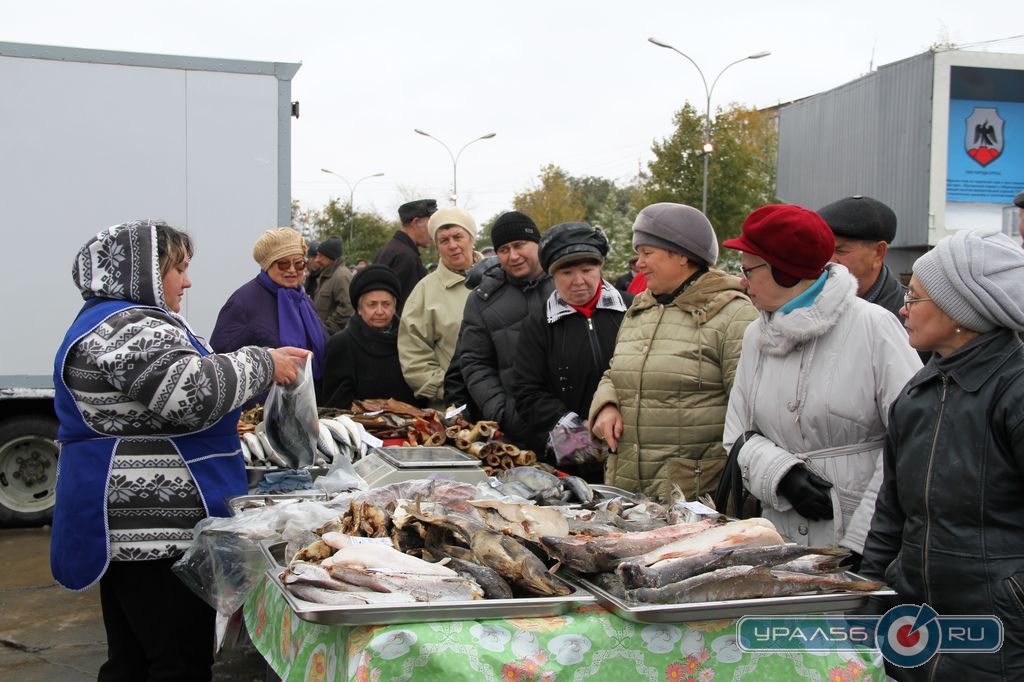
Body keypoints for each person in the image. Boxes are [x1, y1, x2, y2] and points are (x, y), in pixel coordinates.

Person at [51, 220, 309, 681]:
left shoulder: (124, 320)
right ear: (141, 272)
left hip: (141, 531)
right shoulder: (125, 325)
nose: (187, 282)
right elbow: (190, 392)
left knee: (137, 659)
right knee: (176, 663)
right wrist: (263, 360)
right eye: (178, 269)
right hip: (151, 537)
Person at [860, 229, 1024, 680]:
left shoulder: (1015, 391)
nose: (902, 308)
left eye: (914, 296)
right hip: (914, 625)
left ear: (959, 310)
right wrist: (870, 595)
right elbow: (892, 512)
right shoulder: (918, 392)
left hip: (1000, 632)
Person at [721, 204, 921, 564]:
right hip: (778, 538)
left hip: (861, 543)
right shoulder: (755, 335)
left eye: (748, 269)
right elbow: (736, 433)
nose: (742, 281)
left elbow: (911, 440)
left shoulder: (875, 327)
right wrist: (780, 475)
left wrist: (865, 544)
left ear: (784, 271)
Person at [591, 203, 758, 500]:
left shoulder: (733, 315)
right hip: (628, 488)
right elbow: (614, 373)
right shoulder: (640, 310)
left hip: (695, 497)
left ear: (682, 255)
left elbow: (753, 413)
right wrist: (606, 404)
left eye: (647, 253)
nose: (638, 263)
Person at [512, 222, 631, 481]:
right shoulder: (539, 324)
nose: (579, 281)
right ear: (552, 276)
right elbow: (527, 391)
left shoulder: (632, 310)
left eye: (587, 270)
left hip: (633, 450)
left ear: (600, 268)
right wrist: (579, 432)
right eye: (566, 273)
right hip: (574, 462)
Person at [455, 211, 552, 452]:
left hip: (573, 423)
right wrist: (503, 411)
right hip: (515, 434)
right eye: (504, 249)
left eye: (520, 245)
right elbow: (475, 362)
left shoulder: (566, 285)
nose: (513, 256)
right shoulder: (482, 301)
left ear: (538, 244)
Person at [210, 227, 328, 406]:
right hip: (261, 410)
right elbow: (220, 362)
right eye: (283, 264)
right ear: (267, 264)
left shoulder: (304, 301)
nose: (292, 270)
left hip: (307, 405)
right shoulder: (243, 303)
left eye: (298, 264)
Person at [398, 206, 481, 408]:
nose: (452, 245)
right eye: (444, 240)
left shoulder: (499, 280)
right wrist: (448, 389)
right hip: (454, 407)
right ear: (437, 247)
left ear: (471, 239)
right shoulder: (425, 292)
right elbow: (413, 354)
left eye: (458, 237)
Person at [322, 264, 417, 409]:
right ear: (359, 309)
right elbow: (335, 404)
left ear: (394, 307)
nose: (380, 311)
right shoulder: (341, 344)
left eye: (386, 304)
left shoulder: (409, 339)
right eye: (372, 305)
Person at [818, 195, 905, 318]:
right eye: (824, 249)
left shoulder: (908, 316)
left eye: (840, 250)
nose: (828, 261)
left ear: (878, 253)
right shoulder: (806, 306)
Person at [374, 199, 437, 312]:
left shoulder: (391, 249)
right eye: (432, 224)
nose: (435, 230)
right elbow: (406, 308)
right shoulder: (406, 257)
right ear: (416, 222)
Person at [309, 235, 355, 334]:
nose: (317, 260)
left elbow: (347, 308)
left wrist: (327, 328)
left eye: (320, 255)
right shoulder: (327, 275)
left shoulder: (341, 277)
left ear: (330, 256)